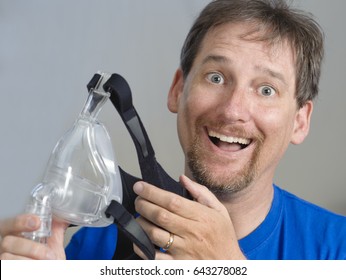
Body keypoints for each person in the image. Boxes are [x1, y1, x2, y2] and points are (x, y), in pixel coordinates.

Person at [1, 0, 346, 260]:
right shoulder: (95, 244)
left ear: (300, 121)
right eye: (216, 78)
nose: (233, 110)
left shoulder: (336, 251)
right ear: (178, 90)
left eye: (266, 89)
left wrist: (231, 269)